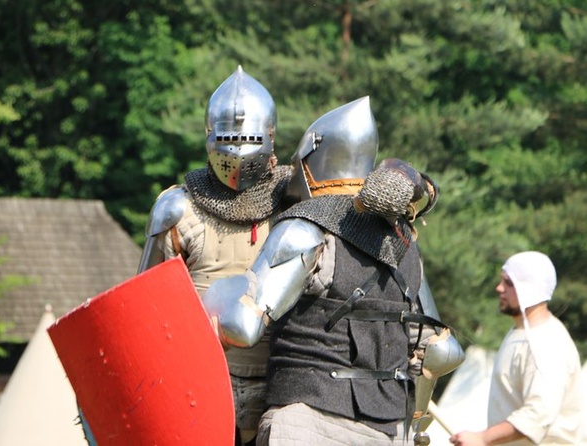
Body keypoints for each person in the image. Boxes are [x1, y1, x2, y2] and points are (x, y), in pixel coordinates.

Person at [203, 96, 464, 446]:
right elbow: (441, 351)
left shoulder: (305, 227)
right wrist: (413, 420)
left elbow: (243, 325)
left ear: (311, 159)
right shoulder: (405, 244)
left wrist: (206, 303)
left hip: (306, 423)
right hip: (385, 429)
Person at [137, 65, 293, 446]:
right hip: (200, 386)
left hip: (279, 391)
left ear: (271, 139)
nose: (238, 154)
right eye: (227, 139)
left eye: (251, 139)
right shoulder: (177, 208)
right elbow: (146, 307)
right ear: (210, 137)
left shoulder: (294, 202)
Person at [449, 251, 583, 446]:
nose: (499, 288)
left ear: (531, 289)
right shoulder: (520, 332)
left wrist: (483, 438)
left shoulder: (546, 342)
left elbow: (538, 415)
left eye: (509, 283)